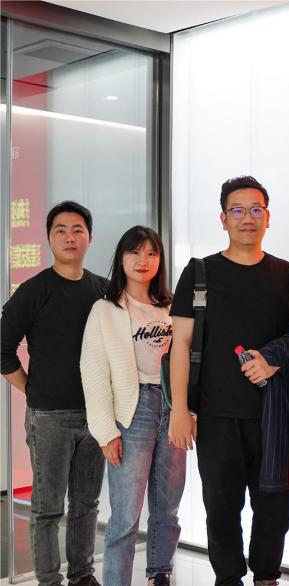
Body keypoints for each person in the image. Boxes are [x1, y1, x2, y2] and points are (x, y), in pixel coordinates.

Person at [167, 176, 289, 586]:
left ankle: (267, 577)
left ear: (268, 217)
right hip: (217, 416)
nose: (247, 218)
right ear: (223, 219)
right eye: (237, 210)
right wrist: (180, 410)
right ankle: (228, 578)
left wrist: (274, 362)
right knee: (220, 508)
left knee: (273, 508)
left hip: (275, 417)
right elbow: (180, 344)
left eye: (256, 209)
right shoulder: (199, 273)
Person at [1, 201, 106, 586]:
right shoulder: (35, 290)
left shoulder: (103, 290)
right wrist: (31, 389)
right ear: (49, 238)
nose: (69, 237)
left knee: (86, 505)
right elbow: (3, 348)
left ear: (90, 237)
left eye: (77, 230)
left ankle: (82, 576)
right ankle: (49, 581)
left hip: (96, 416)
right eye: (60, 230)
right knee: (47, 508)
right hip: (49, 418)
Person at [80, 226, 184, 586]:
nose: (143, 260)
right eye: (135, 252)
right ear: (121, 259)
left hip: (172, 406)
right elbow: (93, 370)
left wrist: (188, 411)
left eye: (152, 253)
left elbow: (189, 362)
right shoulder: (106, 309)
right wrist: (106, 432)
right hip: (132, 410)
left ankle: (160, 574)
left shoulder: (173, 307)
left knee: (168, 507)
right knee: (125, 517)